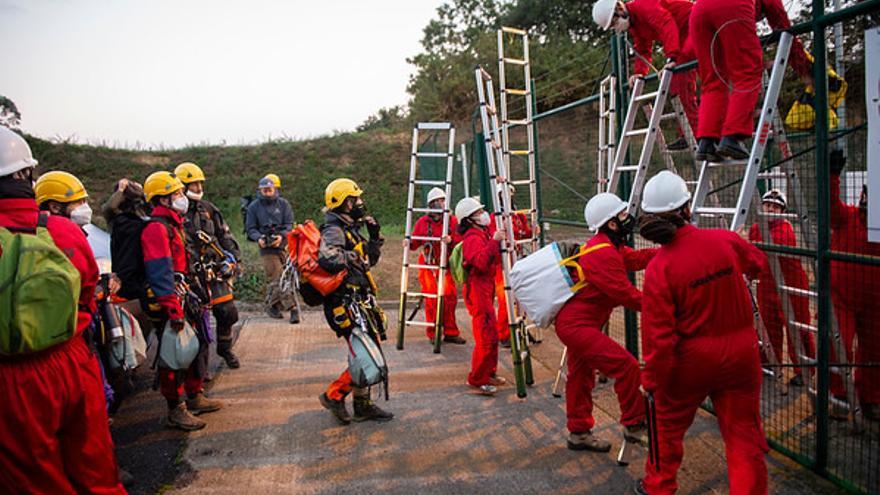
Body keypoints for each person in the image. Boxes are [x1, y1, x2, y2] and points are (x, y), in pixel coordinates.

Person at [0, 126, 126, 494]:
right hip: (75, 361)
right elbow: (88, 289)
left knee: (36, 479)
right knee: (98, 470)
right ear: (28, 176)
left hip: (13, 380)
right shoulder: (64, 232)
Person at [635, 170, 769, 495]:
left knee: (666, 428)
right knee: (743, 436)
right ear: (686, 208)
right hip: (741, 355)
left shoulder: (659, 268)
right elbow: (758, 264)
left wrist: (652, 382)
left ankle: (659, 487)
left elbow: (659, 339)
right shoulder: (724, 240)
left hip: (690, 363)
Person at [555, 192, 656, 452]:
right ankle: (634, 425)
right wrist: (663, 307)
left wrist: (663, 251)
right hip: (578, 327)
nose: (627, 218)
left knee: (580, 375)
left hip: (578, 324)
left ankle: (579, 433)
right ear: (611, 223)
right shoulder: (601, 254)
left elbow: (632, 259)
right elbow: (626, 294)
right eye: (622, 215)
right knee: (627, 366)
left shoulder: (606, 246)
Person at [142, 171, 222, 431]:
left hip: (186, 295)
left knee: (195, 347)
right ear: (162, 200)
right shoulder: (156, 229)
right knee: (174, 355)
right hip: (171, 300)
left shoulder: (174, 224)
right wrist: (173, 309)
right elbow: (159, 271)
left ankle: (194, 394)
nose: (182, 197)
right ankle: (175, 409)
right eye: (176, 193)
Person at [690, 0, 812, 161]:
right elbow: (782, 25)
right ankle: (732, 136)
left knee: (712, 80)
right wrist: (805, 68)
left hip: (699, 11)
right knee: (748, 72)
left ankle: (706, 142)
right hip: (733, 7)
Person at [316, 178, 393, 424]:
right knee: (367, 355)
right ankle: (334, 395)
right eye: (356, 199)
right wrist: (353, 255)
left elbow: (367, 261)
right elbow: (328, 258)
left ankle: (362, 405)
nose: (360, 203)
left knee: (368, 350)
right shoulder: (333, 230)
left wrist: (374, 238)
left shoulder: (349, 228)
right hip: (344, 304)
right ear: (345, 203)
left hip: (360, 301)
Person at [592, 0, 698, 150]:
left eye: (614, 23)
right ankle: (689, 133)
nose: (616, 28)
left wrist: (672, 58)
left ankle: (700, 133)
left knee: (693, 77)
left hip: (693, 24)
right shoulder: (635, 25)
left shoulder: (645, 6)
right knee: (680, 85)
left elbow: (666, 23)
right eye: (611, 26)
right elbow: (643, 49)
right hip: (680, 34)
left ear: (620, 9)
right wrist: (639, 73)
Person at [175, 162, 243, 369]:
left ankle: (225, 348)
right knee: (195, 320)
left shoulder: (208, 209)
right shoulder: (175, 213)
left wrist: (233, 259)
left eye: (199, 183)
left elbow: (224, 234)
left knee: (228, 312)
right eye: (192, 184)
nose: (198, 188)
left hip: (214, 271)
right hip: (191, 275)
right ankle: (196, 364)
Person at [829, 150, 880, 421]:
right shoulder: (846, 217)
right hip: (843, 298)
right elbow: (829, 204)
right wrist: (831, 176)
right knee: (839, 345)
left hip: (876, 300)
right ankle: (839, 395)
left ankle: (870, 398)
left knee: (874, 350)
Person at [748, 189, 815, 386]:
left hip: (791, 287)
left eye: (776, 207)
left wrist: (747, 245)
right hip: (767, 286)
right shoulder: (755, 228)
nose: (771, 209)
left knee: (796, 330)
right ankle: (769, 361)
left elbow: (774, 245)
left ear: (783, 211)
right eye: (768, 205)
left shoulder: (786, 228)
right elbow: (754, 259)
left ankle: (804, 370)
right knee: (768, 327)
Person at [456, 196, 508, 396]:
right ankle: (477, 379)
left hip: (485, 289)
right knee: (485, 335)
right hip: (478, 291)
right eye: (478, 213)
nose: (483, 215)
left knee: (491, 333)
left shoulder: (481, 233)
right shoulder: (472, 238)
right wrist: (494, 242)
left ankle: (489, 373)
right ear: (469, 219)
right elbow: (480, 262)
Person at [407, 187, 465, 344]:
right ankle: (433, 333)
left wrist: (451, 240)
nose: (442, 204)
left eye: (443, 200)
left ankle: (451, 332)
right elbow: (414, 243)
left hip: (445, 266)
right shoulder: (422, 223)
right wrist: (408, 242)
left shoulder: (452, 221)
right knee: (432, 300)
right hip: (429, 266)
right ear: (431, 204)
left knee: (450, 298)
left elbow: (461, 242)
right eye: (438, 201)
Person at [245, 176, 297, 323]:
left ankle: (272, 305)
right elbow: (250, 229)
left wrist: (281, 236)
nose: (267, 192)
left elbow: (289, 224)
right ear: (259, 190)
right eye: (264, 190)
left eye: (269, 189)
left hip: (284, 246)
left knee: (287, 277)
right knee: (278, 277)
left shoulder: (284, 204)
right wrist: (259, 238)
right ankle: (292, 308)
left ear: (275, 189)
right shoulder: (253, 207)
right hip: (266, 249)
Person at [492, 185, 534, 347]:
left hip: (518, 261)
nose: (508, 196)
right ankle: (504, 333)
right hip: (503, 263)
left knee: (520, 298)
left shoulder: (518, 215)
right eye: (504, 194)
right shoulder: (495, 217)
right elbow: (494, 238)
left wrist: (532, 232)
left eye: (510, 193)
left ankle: (520, 327)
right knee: (505, 300)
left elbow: (525, 232)